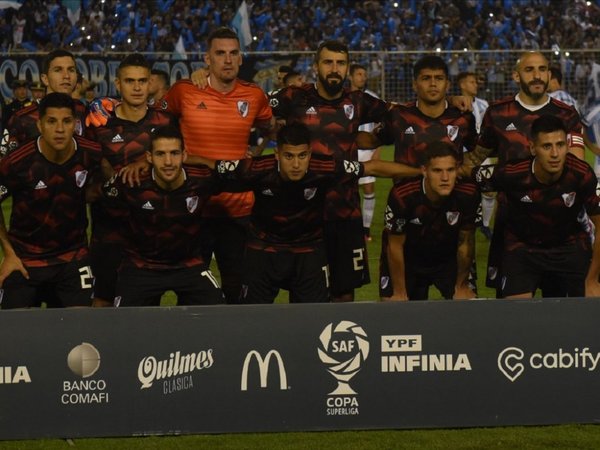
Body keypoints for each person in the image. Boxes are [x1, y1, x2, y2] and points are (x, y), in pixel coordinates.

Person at [117, 27, 273, 304]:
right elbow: (154, 124)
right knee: (189, 292)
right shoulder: (184, 90)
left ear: (240, 58)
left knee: (237, 290)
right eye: (220, 53)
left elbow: (271, 126)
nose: (227, 59)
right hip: (190, 209)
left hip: (237, 208)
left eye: (233, 53)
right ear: (207, 59)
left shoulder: (254, 95)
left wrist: (254, 153)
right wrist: (145, 159)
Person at [200, 123, 420, 303]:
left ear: (310, 153)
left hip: (308, 250)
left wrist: (422, 172)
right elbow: (212, 165)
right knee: (254, 318)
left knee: (312, 322)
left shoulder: (323, 167)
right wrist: (176, 162)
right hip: (263, 249)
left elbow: (371, 168)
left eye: (302, 155)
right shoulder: (256, 168)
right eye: (289, 156)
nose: (296, 164)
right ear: (277, 154)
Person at [270, 40, 390, 302]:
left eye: (340, 63)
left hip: (344, 213)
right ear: (316, 67)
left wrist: (375, 138)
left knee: (344, 294)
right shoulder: (294, 97)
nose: (334, 69)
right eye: (328, 62)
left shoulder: (358, 102)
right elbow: (250, 109)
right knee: (303, 294)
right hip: (301, 216)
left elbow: (399, 117)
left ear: (347, 68)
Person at [462, 51, 585, 297]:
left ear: (549, 75)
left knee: (561, 314)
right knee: (513, 317)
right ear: (516, 76)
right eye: (529, 70)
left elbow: (577, 163)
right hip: (513, 230)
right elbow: (475, 158)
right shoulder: (498, 114)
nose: (537, 75)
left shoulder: (566, 114)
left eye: (542, 69)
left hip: (560, 228)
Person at [85, 53, 178, 308]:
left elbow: (179, 162)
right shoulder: (99, 125)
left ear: (151, 84)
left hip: (153, 231)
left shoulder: (165, 121)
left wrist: (145, 162)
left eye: (142, 81)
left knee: (146, 308)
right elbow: (87, 175)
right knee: (102, 300)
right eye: (129, 81)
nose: (137, 87)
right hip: (109, 231)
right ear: (118, 84)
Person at [472, 115, 600, 298]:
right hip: (522, 249)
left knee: (583, 313)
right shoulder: (511, 174)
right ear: (533, 148)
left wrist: (593, 279)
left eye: (560, 145)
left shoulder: (581, 174)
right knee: (518, 317)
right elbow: (468, 176)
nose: (555, 154)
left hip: (568, 248)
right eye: (547, 146)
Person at [0, 93, 105, 309]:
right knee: (16, 335)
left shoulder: (90, 153)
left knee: (80, 331)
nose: (59, 129)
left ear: (75, 125)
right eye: (51, 121)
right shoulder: (17, 162)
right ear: (40, 125)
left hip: (72, 257)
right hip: (24, 259)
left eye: (66, 121)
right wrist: (8, 254)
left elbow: (108, 180)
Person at [100, 126, 224, 307]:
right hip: (142, 266)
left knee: (218, 314)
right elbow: (100, 198)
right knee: (124, 326)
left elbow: (240, 174)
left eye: (174, 153)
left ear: (184, 155)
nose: (168, 162)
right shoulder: (130, 181)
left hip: (189, 265)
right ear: (149, 157)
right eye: (160, 154)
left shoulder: (202, 179)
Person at [380, 142, 479, 301]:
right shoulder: (403, 195)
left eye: (450, 170)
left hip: (448, 258)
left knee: (467, 307)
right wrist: (399, 292)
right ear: (424, 171)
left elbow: (466, 242)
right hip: (408, 259)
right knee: (396, 313)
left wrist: (461, 286)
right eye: (437, 171)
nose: (445, 178)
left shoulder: (468, 193)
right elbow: (395, 245)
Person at [1, 49, 86, 157]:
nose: (66, 76)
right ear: (45, 79)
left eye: (71, 70)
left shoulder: (85, 112)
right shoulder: (22, 118)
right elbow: (6, 163)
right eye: (58, 70)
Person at [457, 71, 493, 240]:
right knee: (464, 191)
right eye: (471, 82)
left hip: (482, 152)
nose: (475, 85)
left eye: (476, 82)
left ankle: (485, 225)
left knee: (489, 189)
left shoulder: (484, 104)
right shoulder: (455, 105)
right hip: (462, 153)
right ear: (462, 85)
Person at [349, 63, 382, 242]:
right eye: (360, 74)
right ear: (351, 76)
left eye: (364, 74)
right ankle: (352, 227)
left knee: (369, 190)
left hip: (368, 151)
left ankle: (366, 229)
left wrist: (377, 150)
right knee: (349, 191)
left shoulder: (372, 98)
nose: (363, 77)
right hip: (349, 151)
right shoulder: (343, 97)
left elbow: (381, 127)